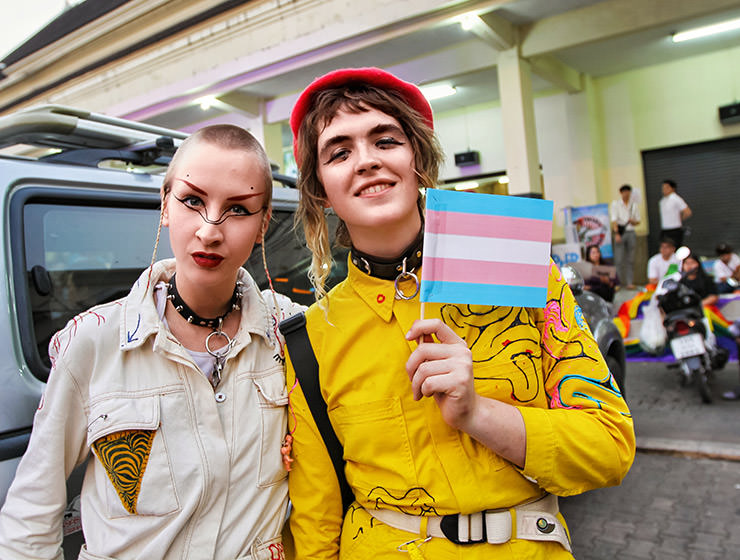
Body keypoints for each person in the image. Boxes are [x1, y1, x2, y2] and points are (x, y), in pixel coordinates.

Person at [285, 67, 634, 559]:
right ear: (320, 190)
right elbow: (316, 523)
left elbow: (610, 448)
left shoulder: (518, 267)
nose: (366, 162)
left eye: (385, 140)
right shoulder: (312, 336)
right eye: (339, 152)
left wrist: (478, 413)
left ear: (419, 162)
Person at [0, 125, 303, 559]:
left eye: (238, 209)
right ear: (165, 205)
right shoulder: (95, 341)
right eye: (193, 201)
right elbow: (32, 513)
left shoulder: (289, 332)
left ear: (263, 225)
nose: (210, 230)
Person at [610, 184, 640, 289]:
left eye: (628, 192)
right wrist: (617, 234)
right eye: (624, 192)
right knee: (619, 260)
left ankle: (629, 283)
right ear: (621, 193)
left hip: (631, 232)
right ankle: (618, 283)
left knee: (630, 259)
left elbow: (638, 221)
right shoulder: (616, 204)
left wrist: (633, 221)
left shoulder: (634, 205)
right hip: (620, 233)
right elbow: (614, 220)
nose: (626, 194)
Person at [658, 179, 691, 248]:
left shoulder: (676, 198)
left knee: (675, 249)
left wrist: (678, 220)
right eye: (663, 188)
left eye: (667, 187)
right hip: (665, 230)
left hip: (675, 230)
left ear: (672, 188)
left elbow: (687, 212)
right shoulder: (662, 201)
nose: (664, 190)